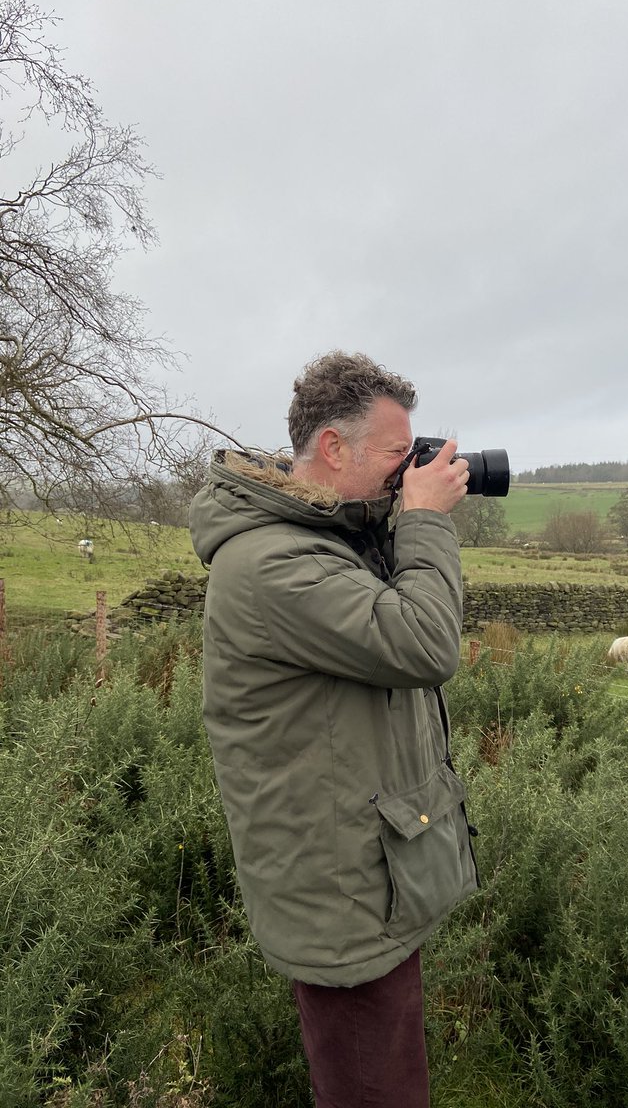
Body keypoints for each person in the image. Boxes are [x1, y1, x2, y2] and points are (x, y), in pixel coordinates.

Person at [189, 351, 479, 1108]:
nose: (410, 469)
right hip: (338, 890)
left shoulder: (326, 540)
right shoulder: (273, 563)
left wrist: (396, 517)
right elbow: (422, 644)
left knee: (386, 1080)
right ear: (333, 448)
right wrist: (421, 521)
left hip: (370, 872)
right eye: (398, 454)